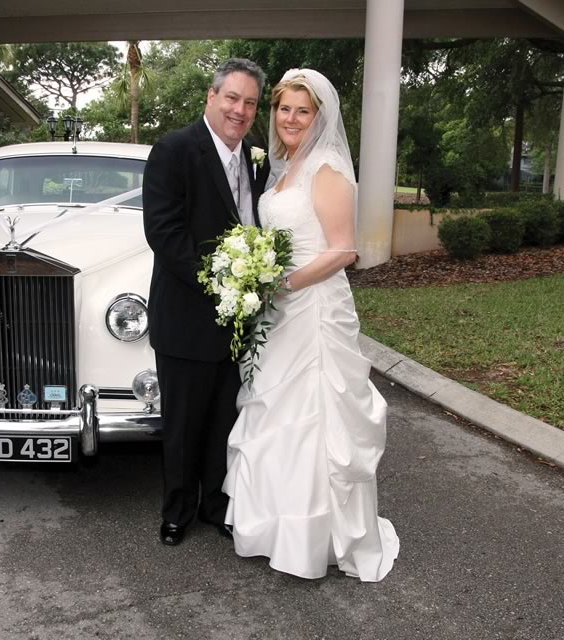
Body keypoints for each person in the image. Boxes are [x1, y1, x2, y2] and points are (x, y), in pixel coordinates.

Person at [223, 69, 400, 580]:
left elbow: (344, 249)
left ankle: (319, 538)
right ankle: (275, 528)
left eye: (303, 110)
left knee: (314, 417)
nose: (291, 118)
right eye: (284, 109)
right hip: (280, 309)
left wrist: (283, 284)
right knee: (275, 413)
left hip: (314, 307)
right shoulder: (283, 169)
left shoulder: (326, 168)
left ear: (319, 117)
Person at [142, 58, 271, 546]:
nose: (240, 110)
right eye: (232, 98)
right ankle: (177, 511)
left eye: (250, 102)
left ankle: (218, 505)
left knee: (225, 419)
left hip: (239, 322)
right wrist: (222, 282)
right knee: (182, 424)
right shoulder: (175, 150)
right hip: (188, 316)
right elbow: (164, 233)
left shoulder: (257, 159)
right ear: (211, 98)